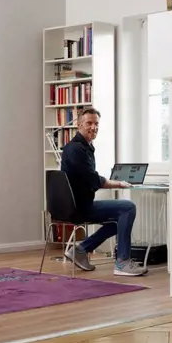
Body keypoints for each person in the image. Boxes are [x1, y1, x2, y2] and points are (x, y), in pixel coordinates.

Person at [60, 107, 147, 277]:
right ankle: (122, 262)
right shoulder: (76, 149)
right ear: (79, 125)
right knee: (128, 208)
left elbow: (89, 179)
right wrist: (120, 184)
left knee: (118, 220)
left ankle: (82, 249)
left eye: (96, 123)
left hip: (77, 205)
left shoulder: (82, 147)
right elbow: (94, 180)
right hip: (79, 208)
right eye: (89, 123)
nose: (93, 127)